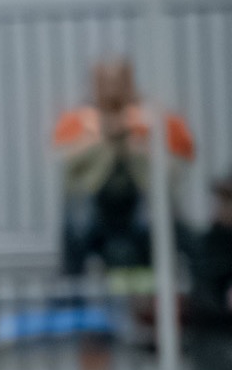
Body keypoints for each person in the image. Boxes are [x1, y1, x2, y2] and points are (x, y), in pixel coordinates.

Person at [52, 58, 196, 274]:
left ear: (130, 83)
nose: (112, 90)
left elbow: (180, 163)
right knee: (74, 224)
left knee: (177, 230)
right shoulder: (78, 121)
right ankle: (70, 300)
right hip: (96, 215)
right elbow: (64, 165)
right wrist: (101, 140)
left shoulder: (151, 119)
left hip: (142, 212)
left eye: (119, 82)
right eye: (105, 82)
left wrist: (136, 142)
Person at [188, 173, 232, 370]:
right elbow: (204, 294)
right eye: (225, 200)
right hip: (217, 333)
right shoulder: (208, 244)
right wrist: (223, 298)